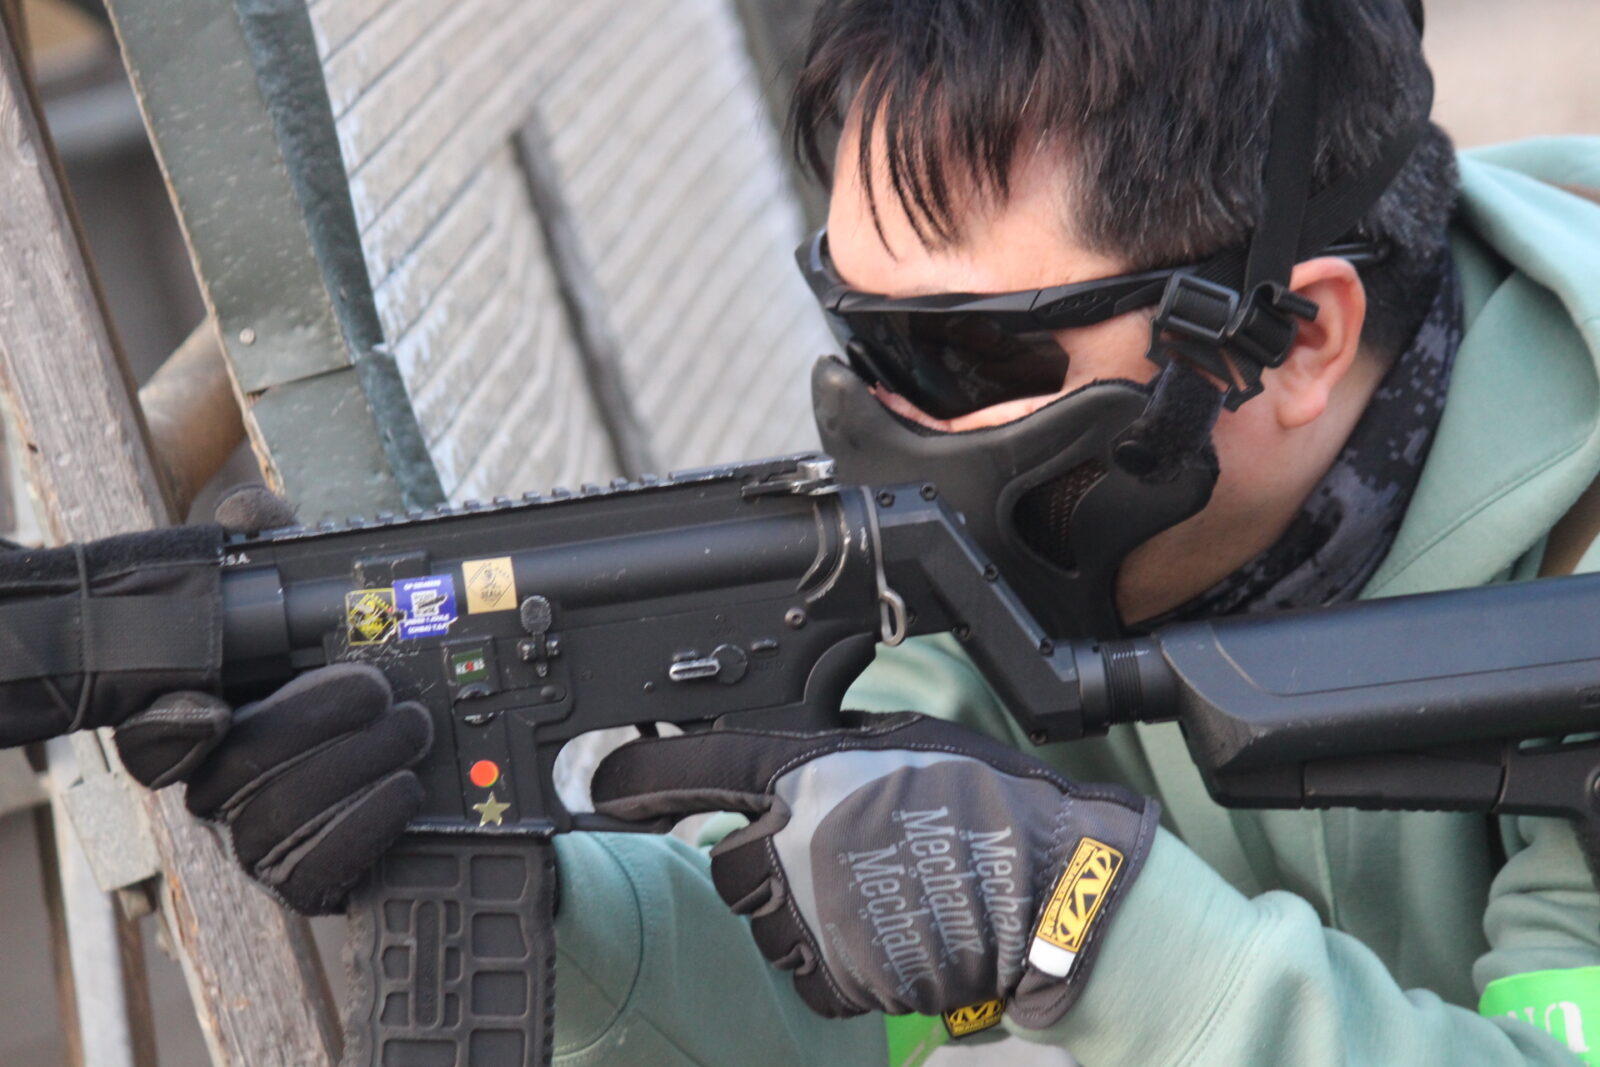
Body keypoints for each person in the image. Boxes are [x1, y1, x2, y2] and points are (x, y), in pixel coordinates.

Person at [7, 1, 1600, 1064]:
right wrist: (539, 903)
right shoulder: (1051, 553)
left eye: (962, 361)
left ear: (1296, 338)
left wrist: (1081, 925)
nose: (880, 422)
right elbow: (842, 1015)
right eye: (857, 335)